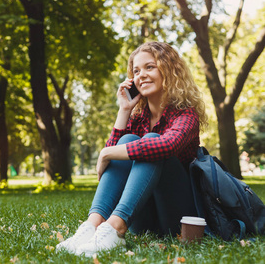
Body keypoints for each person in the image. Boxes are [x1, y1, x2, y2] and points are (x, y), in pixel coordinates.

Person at [56, 41, 208, 257]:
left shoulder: (186, 114)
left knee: (153, 142)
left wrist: (105, 153)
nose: (141, 75)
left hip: (177, 218)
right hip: (141, 218)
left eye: (150, 67)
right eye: (136, 71)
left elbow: (166, 145)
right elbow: (109, 169)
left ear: (169, 70)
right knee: (128, 139)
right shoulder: (138, 117)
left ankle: (115, 227)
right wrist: (124, 110)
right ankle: (93, 225)